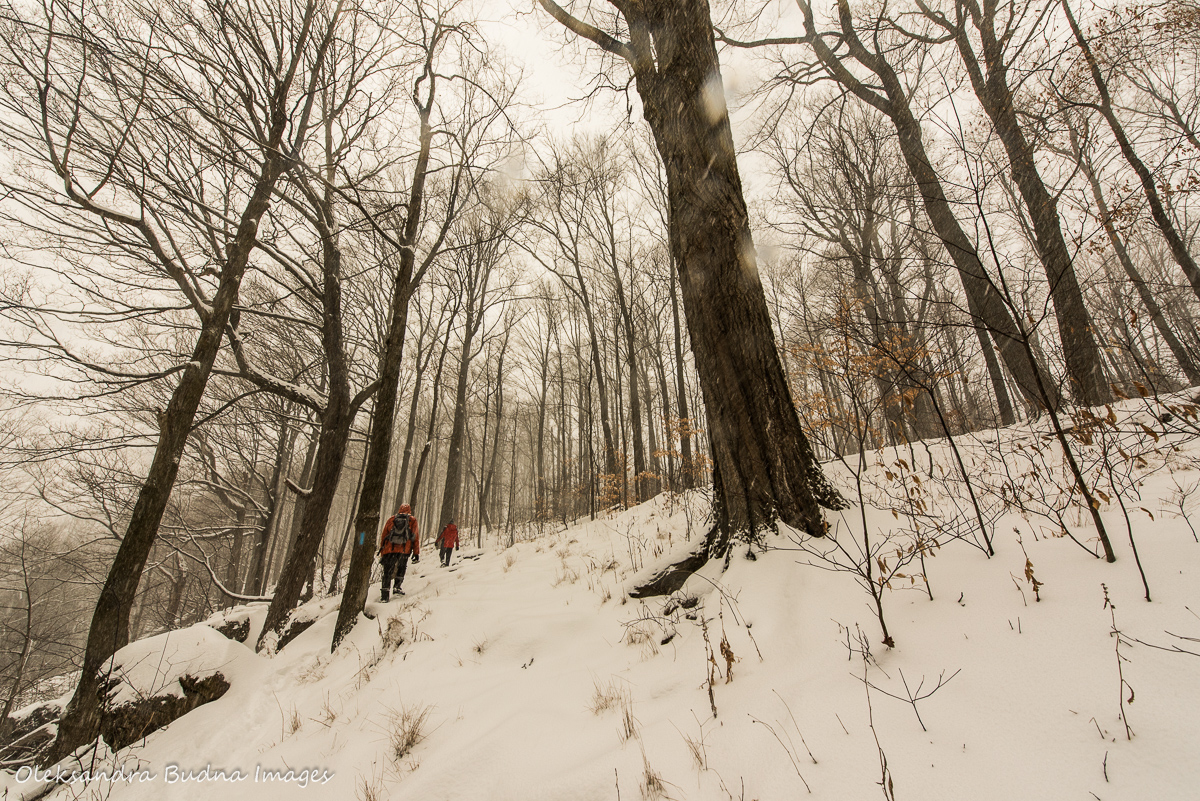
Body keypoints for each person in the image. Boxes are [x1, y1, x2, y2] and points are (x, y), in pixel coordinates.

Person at [378, 503, 419, 601]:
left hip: (390, 549)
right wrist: (416, 552)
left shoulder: (391, 519)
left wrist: (382, 551)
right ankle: (397, 588)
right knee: (401, 568)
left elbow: (384, 535)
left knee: (387, 571)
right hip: (404, 550)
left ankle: (384, 595)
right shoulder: (412, 520)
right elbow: (415, 537)